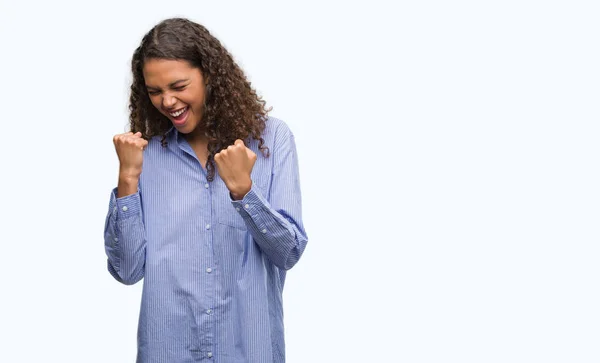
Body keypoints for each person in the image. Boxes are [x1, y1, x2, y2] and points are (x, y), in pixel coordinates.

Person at [103, 17, 308, 363]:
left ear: (210, 76)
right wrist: (127, 180)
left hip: (248, 351)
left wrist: (245, 192)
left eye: (178, 86)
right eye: (154, 91)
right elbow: (127, 271)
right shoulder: (145, 154)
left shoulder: (272, 141)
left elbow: (287, 253)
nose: (167, 101)